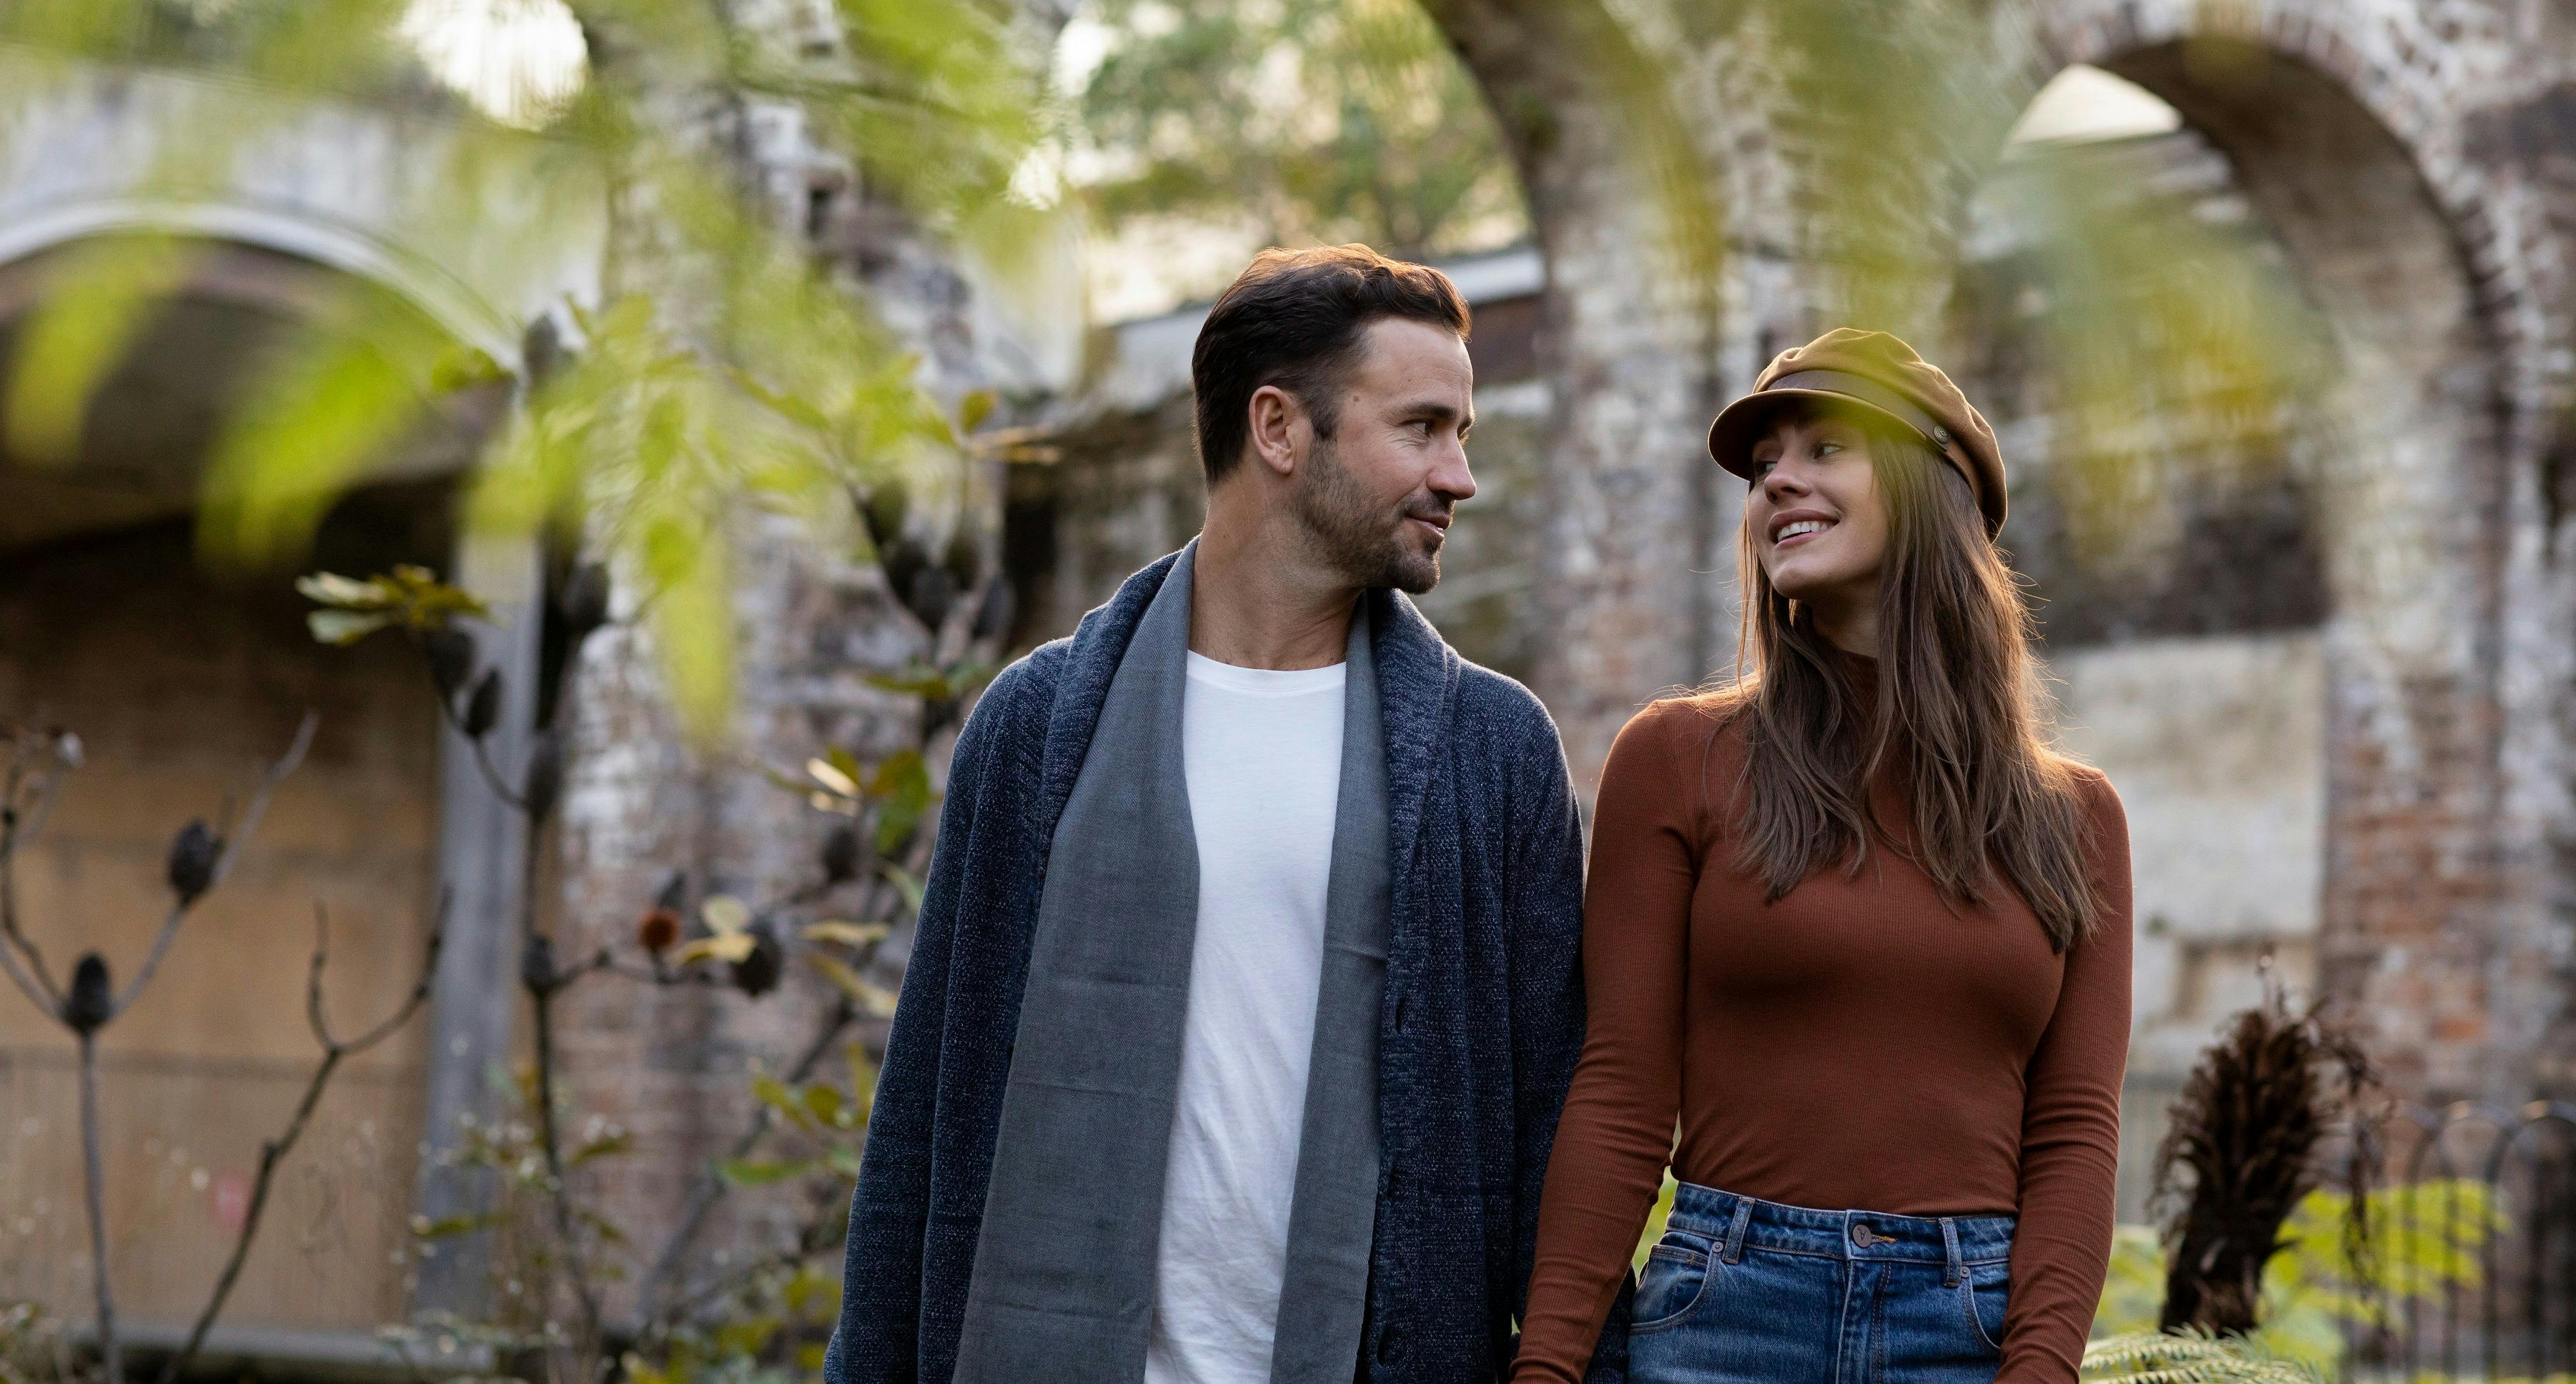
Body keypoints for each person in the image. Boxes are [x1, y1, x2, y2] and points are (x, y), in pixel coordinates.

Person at [826, 244, 1624, 1384]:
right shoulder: (1039, 726)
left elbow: (1554, 1121)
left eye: (1464, 434)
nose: (1460, 477)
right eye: (1421, 427)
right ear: (1279, 430)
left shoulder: (1487, 752)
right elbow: (922, 1115)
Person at [1511, 327, 2134, 1384]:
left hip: (1967, 1330)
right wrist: (1548, 1368)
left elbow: (2073, 1130)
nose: (1777, 482)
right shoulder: (1677, 759)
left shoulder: (2071, 819)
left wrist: (2040, 1370)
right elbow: (1620, 1085)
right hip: (1726, 1312)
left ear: (1935, 487)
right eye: (1763, 470)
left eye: (1824, 449)